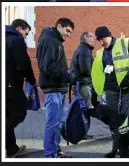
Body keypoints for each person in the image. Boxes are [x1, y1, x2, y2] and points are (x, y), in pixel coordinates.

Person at [91, 26, 129, 158]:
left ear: (109, 35)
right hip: (111, 90)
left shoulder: (125, 43)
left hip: (128, 88)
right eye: (99, 40)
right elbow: (97, 74)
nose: (101, 42)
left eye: (103, 39)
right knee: (113, 122)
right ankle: (116, 149)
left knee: (127, 122)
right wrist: (94, 93)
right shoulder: (100, 53)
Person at [36, 18, 76, 158]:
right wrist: (66, 75)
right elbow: (47, 67)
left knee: (58, 123)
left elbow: (55, 65)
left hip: (59, 89)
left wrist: (67, 75)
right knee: (52, 123)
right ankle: (49, 154)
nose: (69, 34)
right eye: (67, 30)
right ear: (59, 26)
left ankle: (56, 151)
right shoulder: (49, 40)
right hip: (52, 89)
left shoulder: (55, 40)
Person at [6, 19, 37, 158]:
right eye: (26, 33)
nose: (25, 36)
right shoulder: (15, 40)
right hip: (11, 83)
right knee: (19, 112)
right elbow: (24, 64)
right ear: (19, 28)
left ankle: (11, 149)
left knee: (7, 115)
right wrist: (32, 80)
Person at [70, 31, 96, 109]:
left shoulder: (81, 48)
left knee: (81, 109)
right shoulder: (85, 51)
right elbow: (86, 71)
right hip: (83, 85)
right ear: (85, 37)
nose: (95, 40)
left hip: (79, 84)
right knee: (86, 109)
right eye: (92, 37)